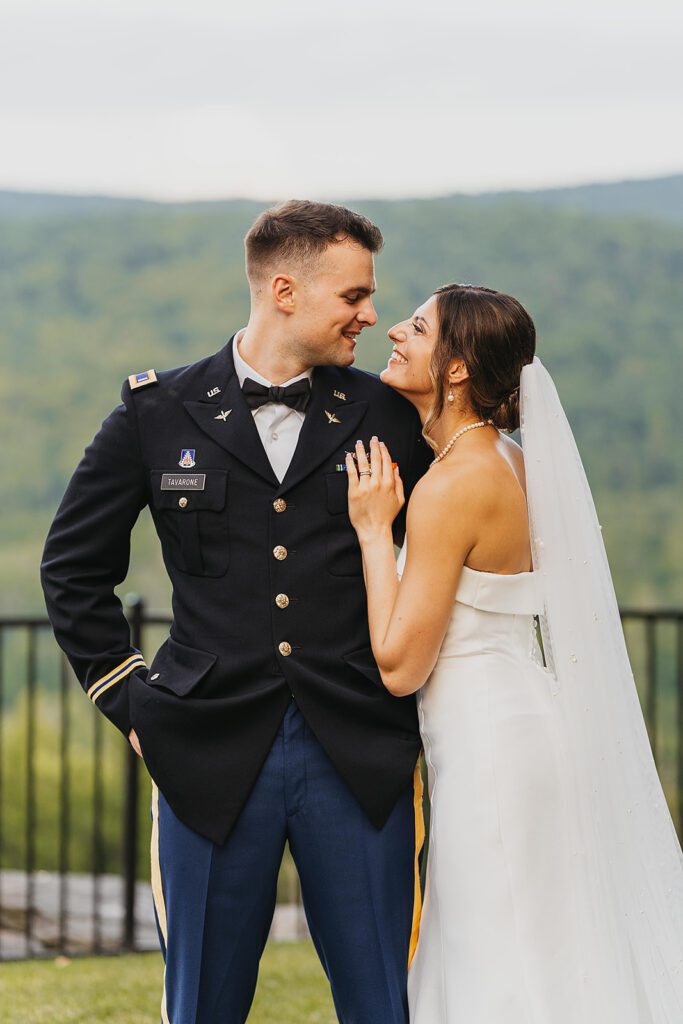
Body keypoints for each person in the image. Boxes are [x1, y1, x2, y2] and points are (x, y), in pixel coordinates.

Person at [40, 200, 432, 1024]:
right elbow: (73, 568)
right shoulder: (157, 412)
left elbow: (451, 555)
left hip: (358, 748)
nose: (371, 315)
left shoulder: (388, 415)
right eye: (354, 296)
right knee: (202, 1006)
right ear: (284, 290)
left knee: (385, 1003)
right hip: (204, 751)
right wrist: (130, 702)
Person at [346, 283, 683, 1022]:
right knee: (544, 944)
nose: (395, 331)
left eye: (419, 326)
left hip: (492, 750)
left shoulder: (449, 488)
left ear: (458, 368)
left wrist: (375, 531)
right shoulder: (512, 462)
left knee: (495, 952)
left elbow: (400, 665)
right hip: (527, 725)